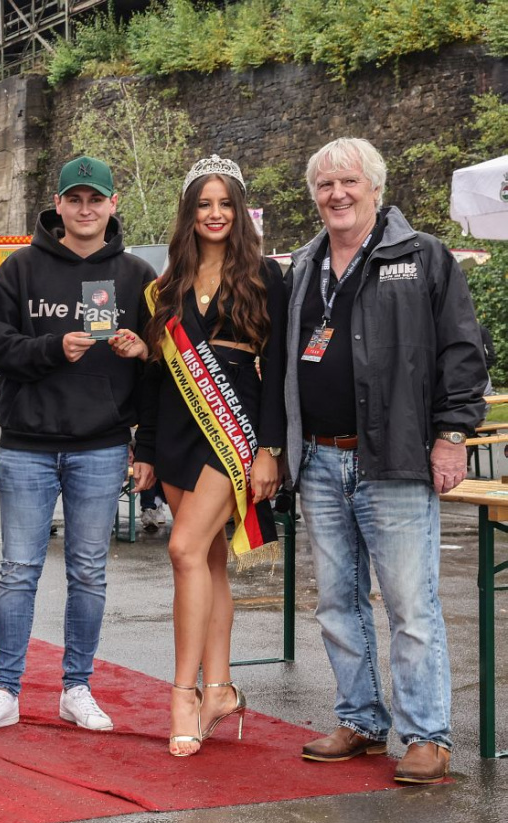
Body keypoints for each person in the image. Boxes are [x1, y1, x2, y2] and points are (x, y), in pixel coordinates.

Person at [286, 138, 486, 784]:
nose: (337, 194)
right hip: (320, 459)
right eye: (325, 185)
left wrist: (451, 434)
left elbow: (463, 351)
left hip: (396, 457)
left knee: (409, 604)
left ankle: (426, 735)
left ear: (376, 188)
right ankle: (362, 721)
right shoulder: (305, 265)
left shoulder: (422, 256)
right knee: (336, 602)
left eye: (349, 181)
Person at [0, 155, 155, 737]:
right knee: (17, 571)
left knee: (89, 573)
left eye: (96, 199)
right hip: (28, 446)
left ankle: (77, 688)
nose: (85, 209)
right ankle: (4, 690)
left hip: (102, 446)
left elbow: (164, 362)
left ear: (113, 204)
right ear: (59, 205)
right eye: (75, 199)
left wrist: (141, 353)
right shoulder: (20, 268)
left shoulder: (138, 275)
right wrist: (50, 348)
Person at [131, 155, 286, 756]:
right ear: (189, 213)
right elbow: (152, 376)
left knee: (183, 549)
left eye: (224, 204)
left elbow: (278, 371)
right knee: (211, 560)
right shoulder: (164, 287)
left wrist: (270, 448)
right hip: (176, 429)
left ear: (239, 211)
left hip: (232, 429)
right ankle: (219, 688)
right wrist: (146, 449)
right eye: (204, 204)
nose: (215, 214)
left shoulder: (266, 276)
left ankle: (183, 694)